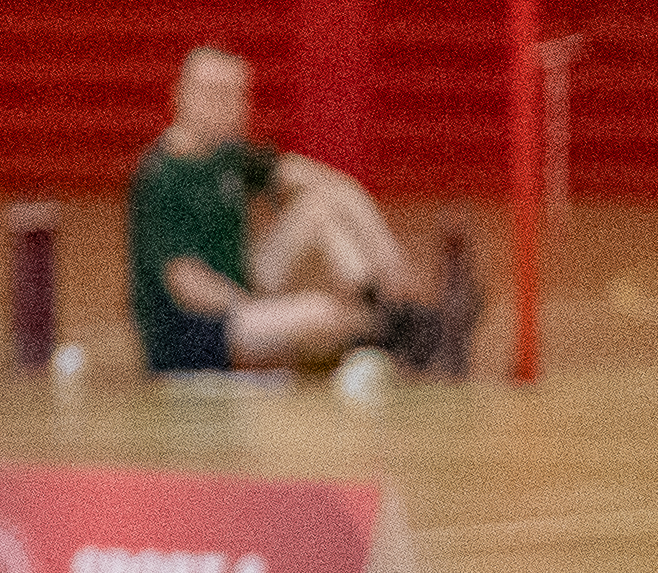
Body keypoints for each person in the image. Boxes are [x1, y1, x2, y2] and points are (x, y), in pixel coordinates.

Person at [127, 46, 454, 377]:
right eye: (218, 94)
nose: (234, 108)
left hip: (239, 290)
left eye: (239, 96)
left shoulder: (228, 154)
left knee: (321, 206)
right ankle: (383, 328)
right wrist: (264, 313)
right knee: (320, 315)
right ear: (182, 95)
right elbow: (188, 284)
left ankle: (387, 307)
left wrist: (391, 266)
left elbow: (327, 185)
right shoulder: (161, 175)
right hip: (195, 334)